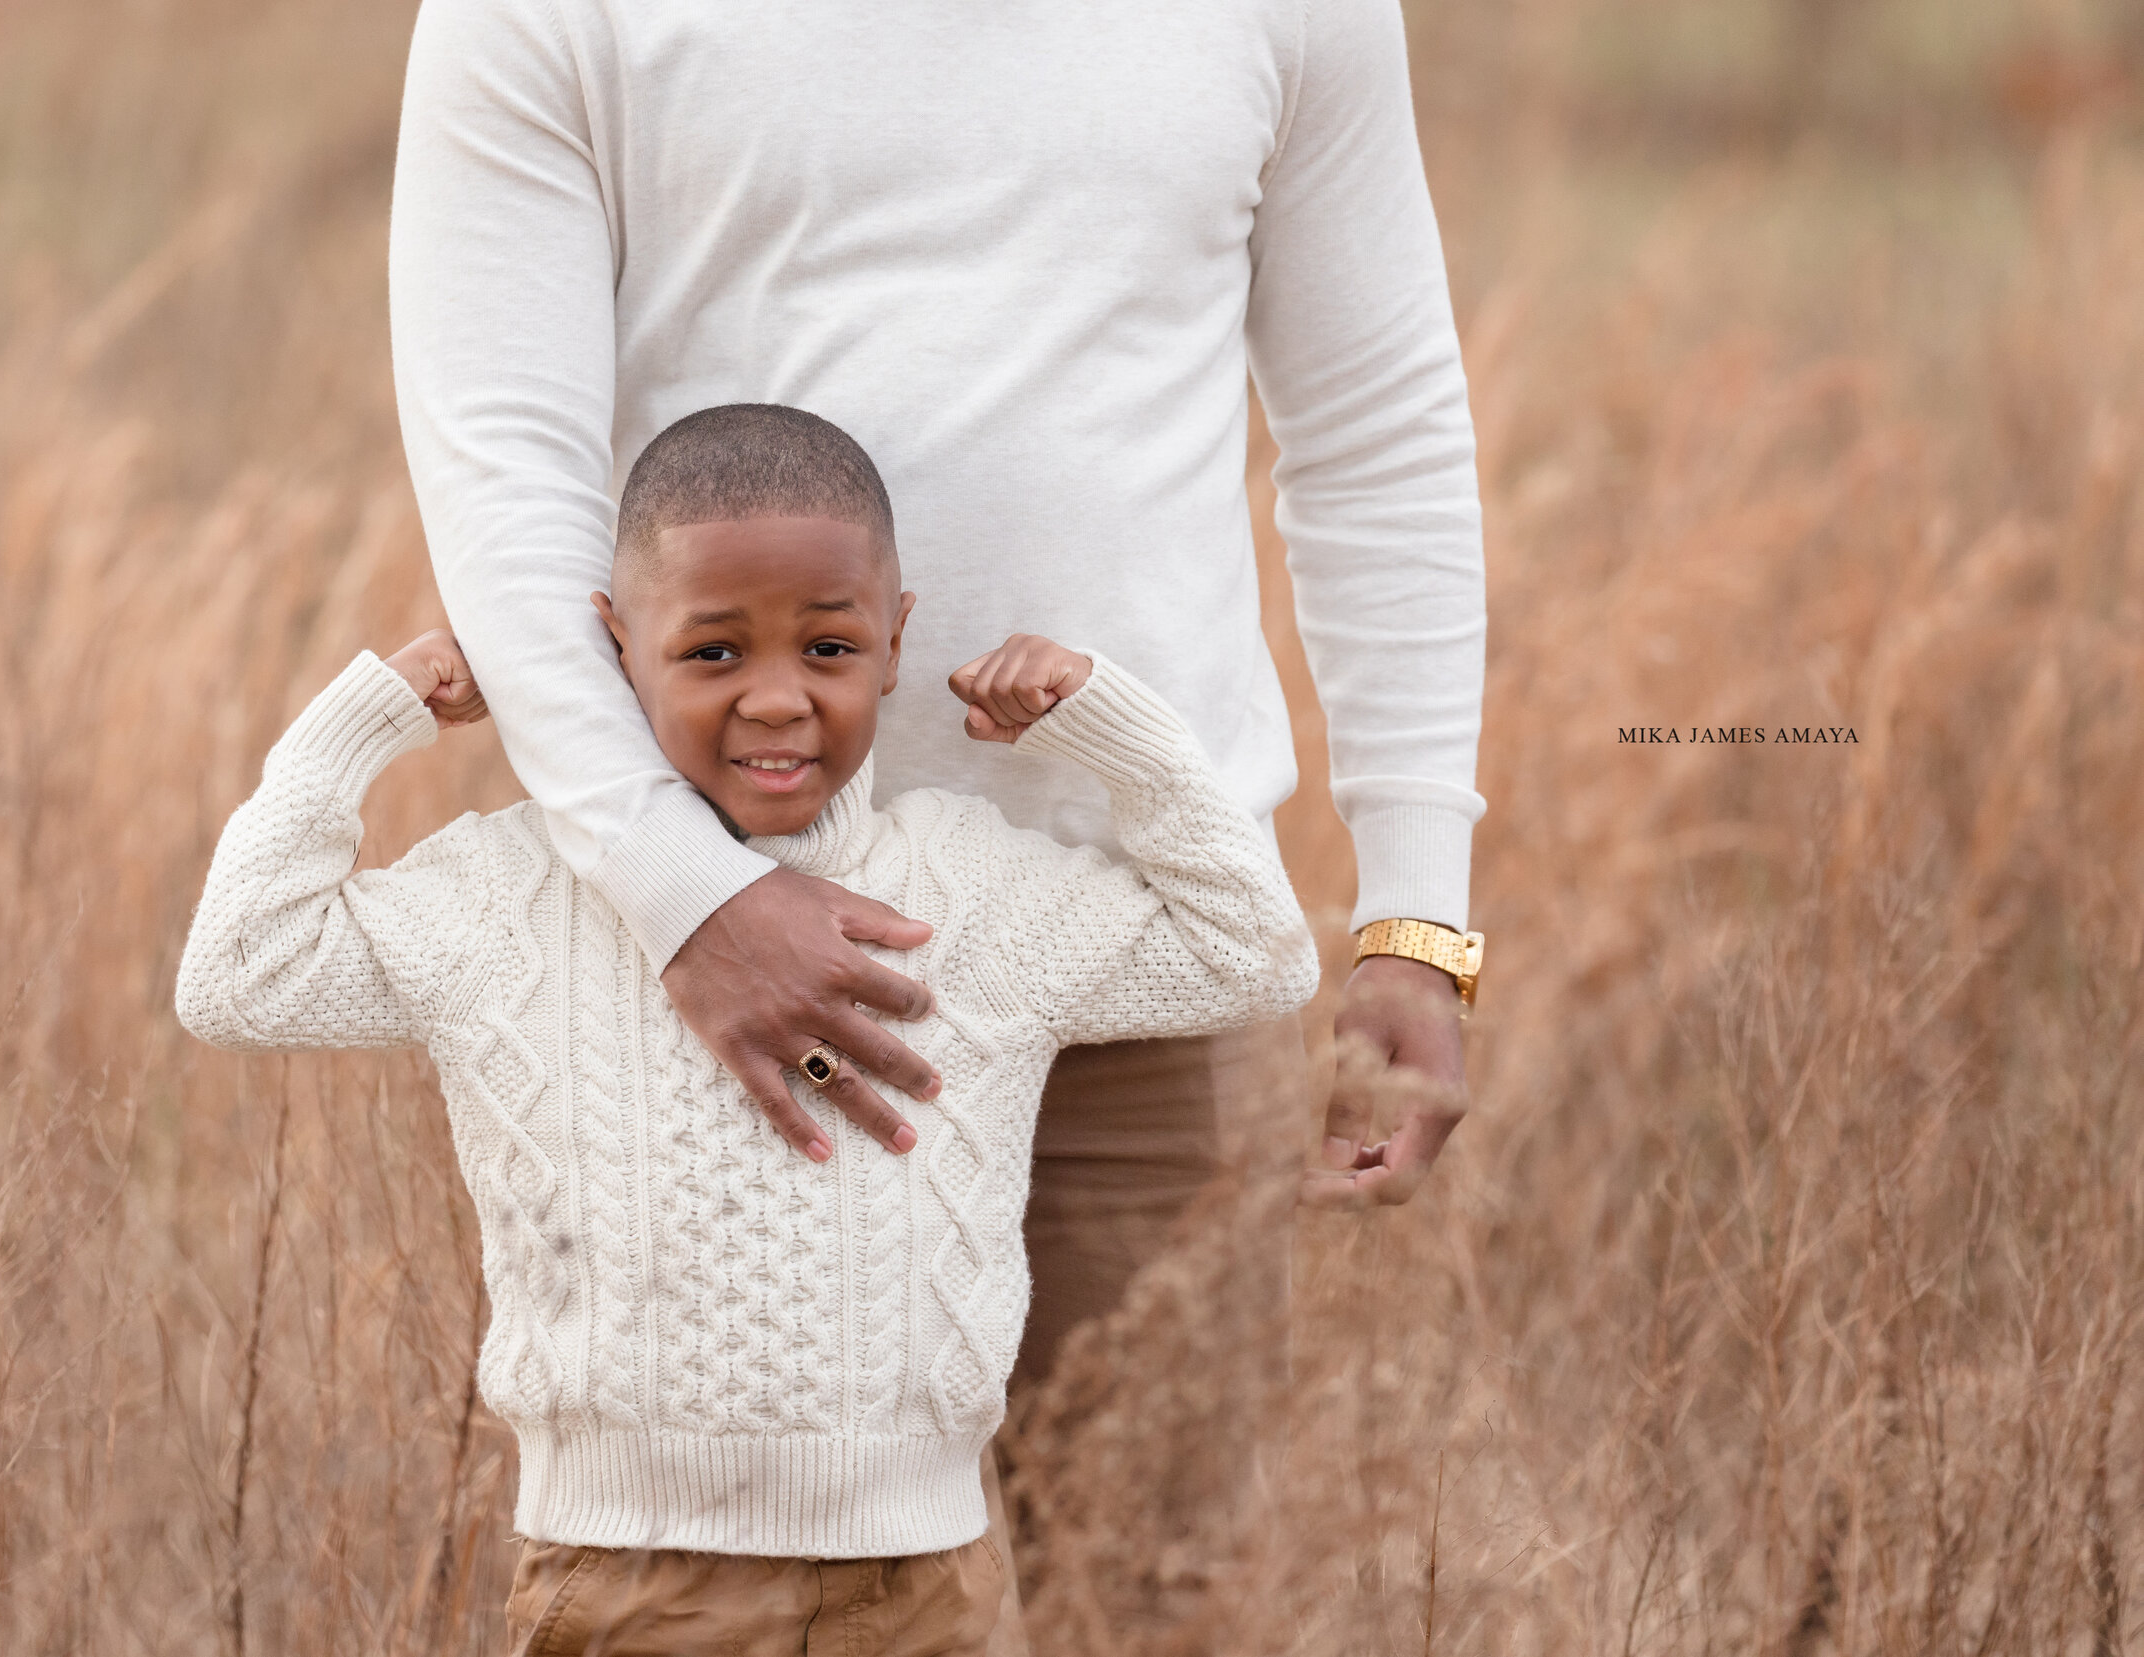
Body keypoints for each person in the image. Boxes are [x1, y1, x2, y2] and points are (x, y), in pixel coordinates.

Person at [385, 0, 1489, 1432]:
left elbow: (1377, 431)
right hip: (716, 989)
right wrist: (690, 895)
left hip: (1145, 965)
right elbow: (506, 487)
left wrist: (1415, 917)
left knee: (1158, 1609)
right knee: (734, 1610)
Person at [175, 406, 1319, 1653]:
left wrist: (1115, 727)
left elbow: (1252, 955)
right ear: (615, 647)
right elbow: (239, 973)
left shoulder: (974, 894)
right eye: (713, 653)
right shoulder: (515, 892)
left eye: (828, 646)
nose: (776, 700)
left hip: (920, 1586)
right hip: (628, 1582)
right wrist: (366, 723)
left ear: (895, 642)